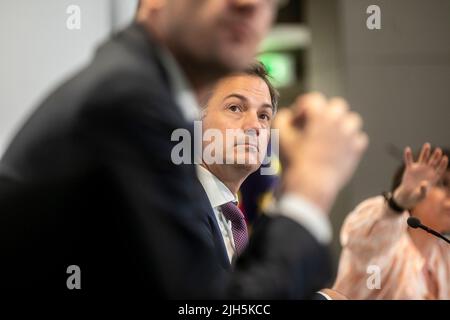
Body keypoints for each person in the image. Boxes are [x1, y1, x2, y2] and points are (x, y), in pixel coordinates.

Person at [0, 0, 367, 298]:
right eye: (235, 108)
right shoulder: (132, 101)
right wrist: (310, 191)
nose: (251, 5)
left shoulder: (132, 84)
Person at [333, 143, 450, 299]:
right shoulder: (384, 241)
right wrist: (397, 203)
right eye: (443, 184)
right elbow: (358, 238)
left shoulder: (444, 252)